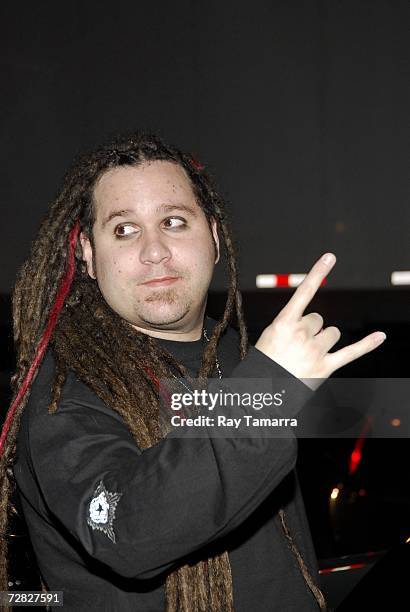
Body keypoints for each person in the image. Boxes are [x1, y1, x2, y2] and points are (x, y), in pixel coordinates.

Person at [0, 132, 385, 611]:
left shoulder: (243, 360)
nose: (155, 250)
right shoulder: (66, 390)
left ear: (215, 238)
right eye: (124, 229)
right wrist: (267, 389)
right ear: (88, 256)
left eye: (175, 221)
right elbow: (130, 533)